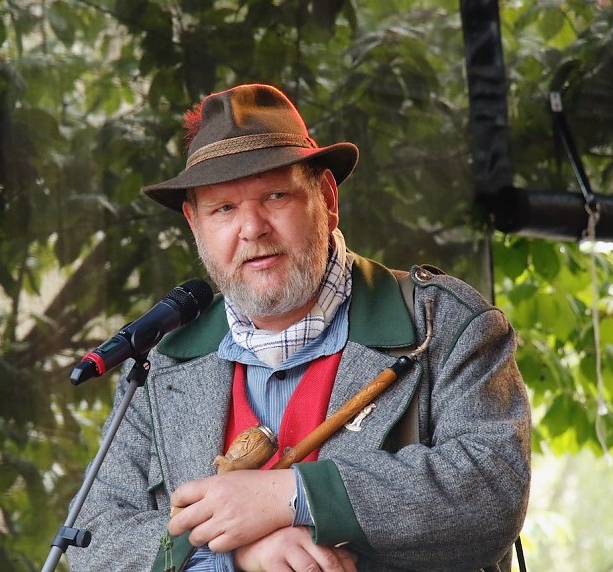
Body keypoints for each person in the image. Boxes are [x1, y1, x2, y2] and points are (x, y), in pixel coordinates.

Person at [65, 83, 531, 571]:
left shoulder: (445, 325)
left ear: (327, 198)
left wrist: (290, 495)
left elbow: (491, 490)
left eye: (275, 195)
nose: (252, 227)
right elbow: (93, 541)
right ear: (194, 223)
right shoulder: (160, 364)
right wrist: (236, 556)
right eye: (223, 208)